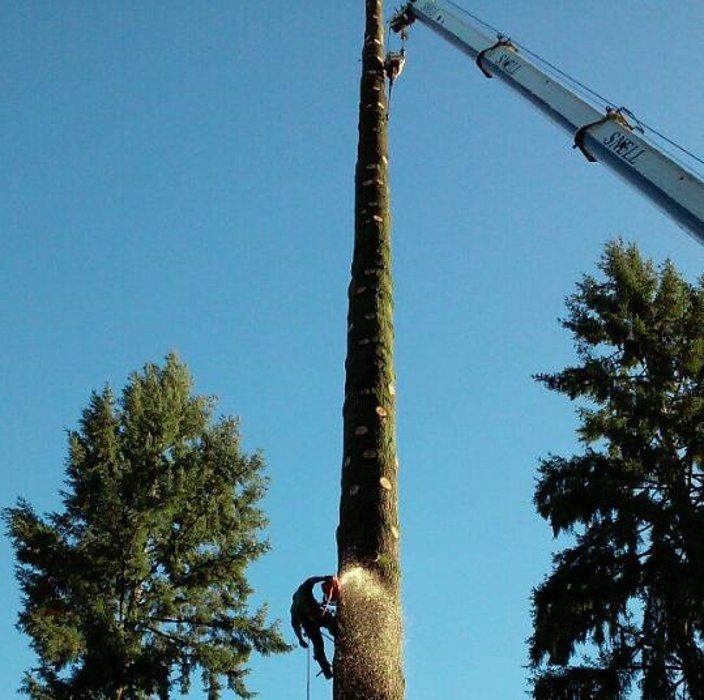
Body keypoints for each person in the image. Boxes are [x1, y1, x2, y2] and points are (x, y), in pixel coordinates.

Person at [290, 575, 339, 679]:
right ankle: (326, 670)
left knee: (320, 643)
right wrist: (300, 639)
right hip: (311, 622)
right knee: (318, 645)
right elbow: (295, 626)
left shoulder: (301, 595)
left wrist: (324, 578)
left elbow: (310, 580)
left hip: (315, 615)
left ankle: (337, 633)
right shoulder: (296, 606)